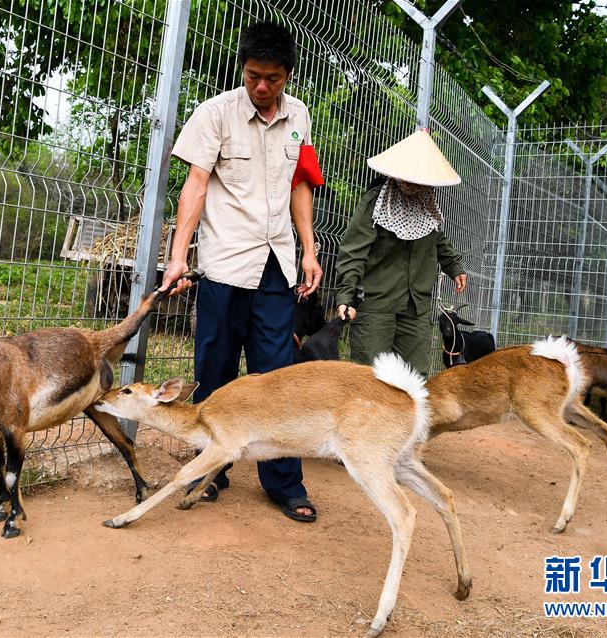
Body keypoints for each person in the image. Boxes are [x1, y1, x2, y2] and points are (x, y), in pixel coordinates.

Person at [159, 21, 323, 522]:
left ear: (288, 75)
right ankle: (212, 470)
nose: (261, 87)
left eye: (272, 78)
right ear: (243, 70)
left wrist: (310, 250)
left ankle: (283, 482)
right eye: (253, 75)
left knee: (277, 379)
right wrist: (178, 254)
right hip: (226, 262)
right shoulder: (215, 114)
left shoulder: (300, 117)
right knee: (216, 368)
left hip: (277, 264)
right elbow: (196, 184)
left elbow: (300, 186)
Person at [334, 129, 467, 376]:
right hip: (376, 304)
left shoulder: (428, 205)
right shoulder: (377, 202)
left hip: (416, 307)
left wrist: (454, 266)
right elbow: (353, 251)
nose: (412, 183)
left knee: (416, 380)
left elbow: (436, 237)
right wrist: (345, 296)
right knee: (370, 378)